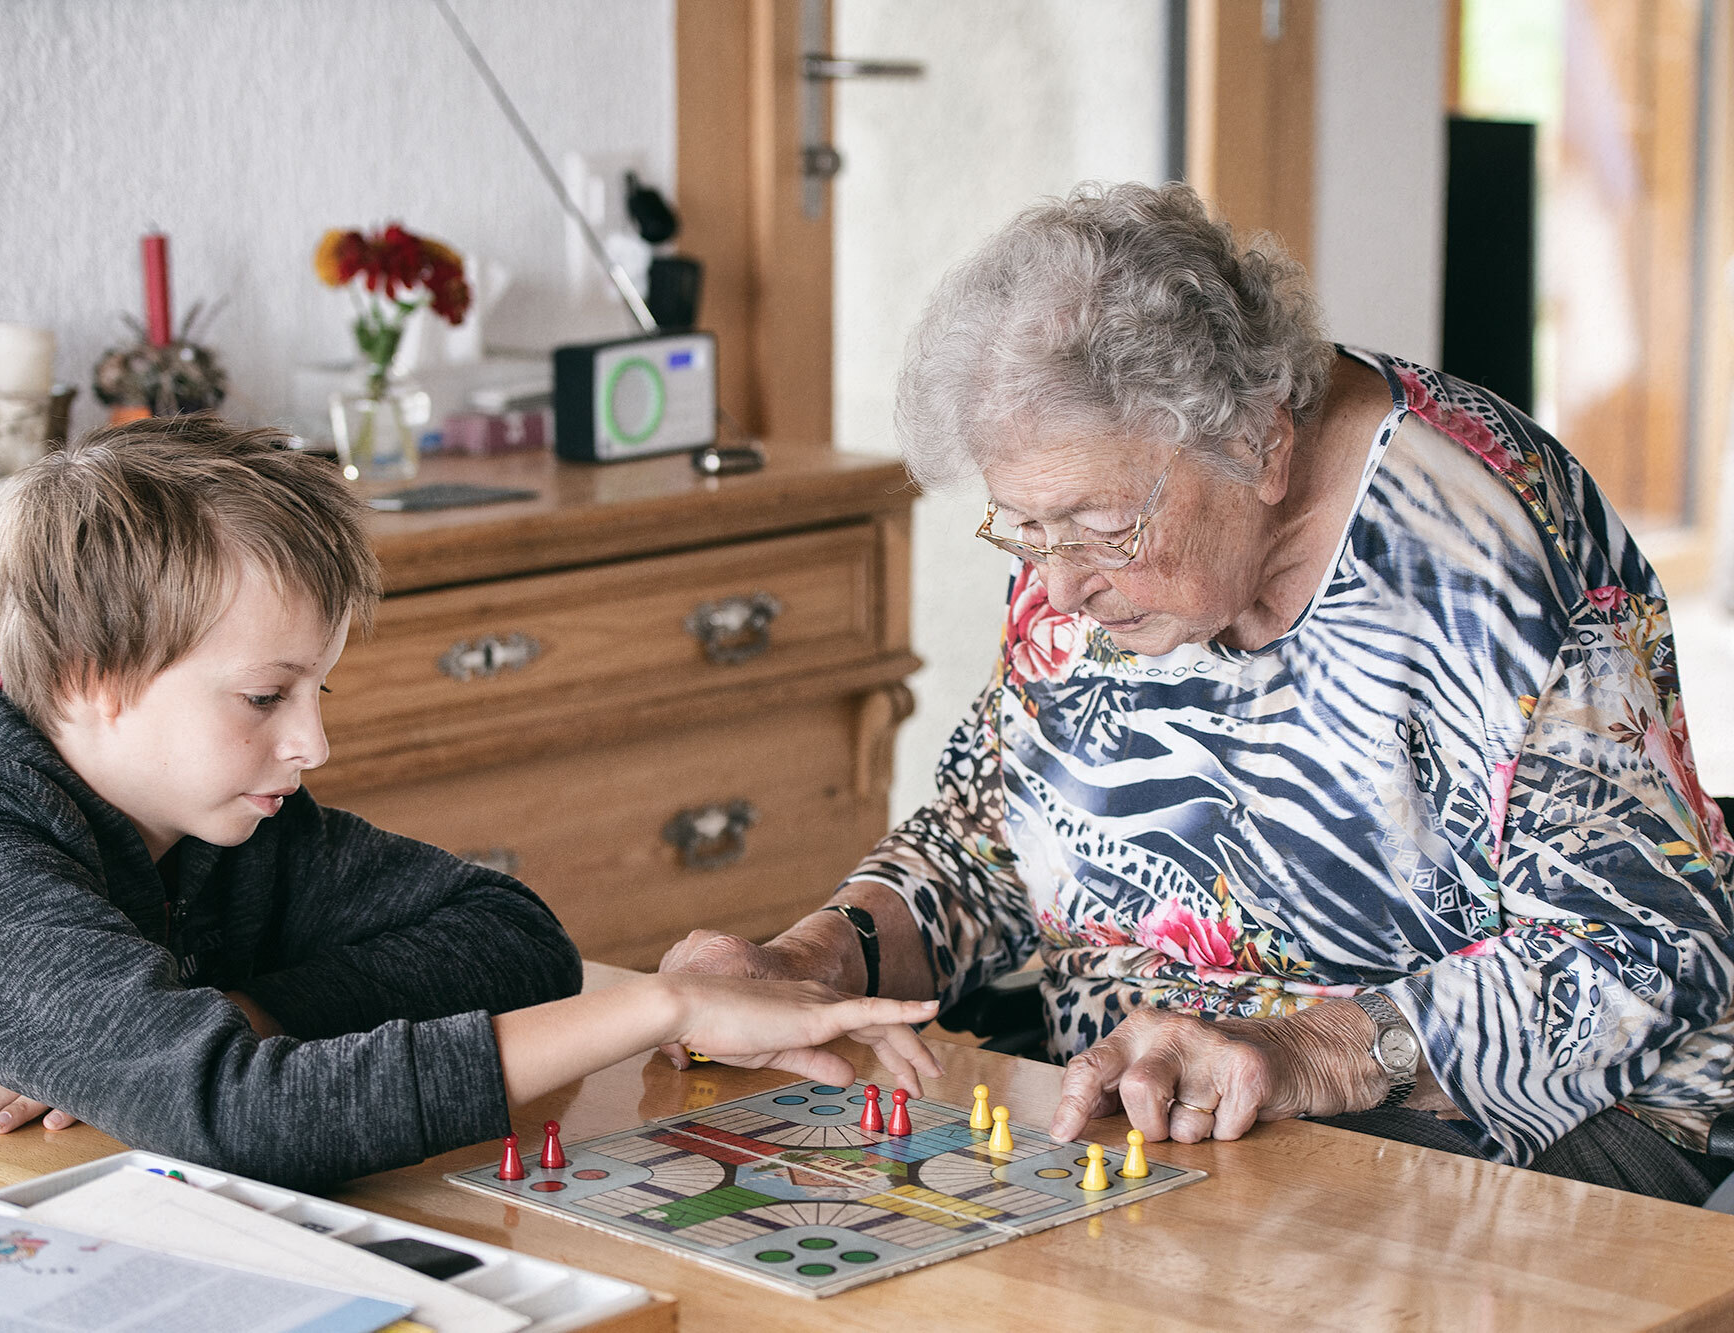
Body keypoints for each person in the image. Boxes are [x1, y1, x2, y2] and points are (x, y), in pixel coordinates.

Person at [661, 181, 1734, 1204]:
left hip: (1527, 1110)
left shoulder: (1482, 557)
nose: (1056, 585)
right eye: (1023, 530)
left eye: (1096, 528)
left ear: (1260, 444)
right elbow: (987, 839)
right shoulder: (1085, 537)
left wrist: (1300, 1050)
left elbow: (1643, 943)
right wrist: (804, 958)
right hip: (1156, 1095)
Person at [0, 418, 940, 1188]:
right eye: (265, 695)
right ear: (95, 680)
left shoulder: (219, 815)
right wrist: (660, 1005)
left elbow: (508, 938)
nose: (310, 740)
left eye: (315, 689)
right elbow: (239, 1120)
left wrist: (231, 1013)